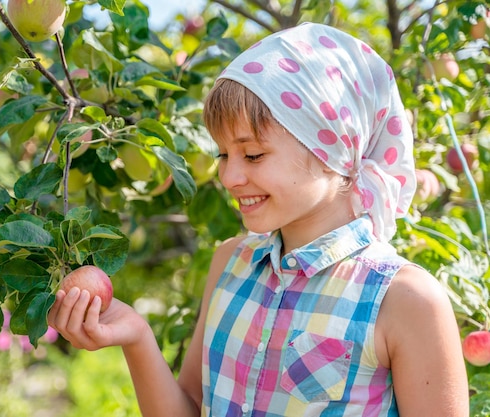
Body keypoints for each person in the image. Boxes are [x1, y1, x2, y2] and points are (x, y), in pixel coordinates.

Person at [47, 22, 469, 416]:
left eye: (252, 155)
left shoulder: (405, 300)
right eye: (223, 155)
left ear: (333, 151)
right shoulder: (230, 262)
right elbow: (191, 407)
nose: (229, 177)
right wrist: (138, 336)